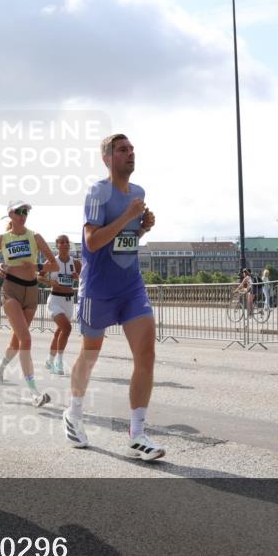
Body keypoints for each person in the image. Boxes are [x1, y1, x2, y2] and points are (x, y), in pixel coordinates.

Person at [62, 134, 164, 461]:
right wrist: (126, 217)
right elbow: (92, 242)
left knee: (146, 352)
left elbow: (126, 240)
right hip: (98, 288)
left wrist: (143, 227)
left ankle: (138, 432)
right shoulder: (98, 192)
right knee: (90, 353)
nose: (131, 153)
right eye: (123, 150)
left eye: (133, 149)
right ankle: (74, 413)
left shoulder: (138, 193)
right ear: (107, 158)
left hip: (130, 285)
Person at [0, 201, 59, 407]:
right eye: (19, 211)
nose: (23, 215)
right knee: (26, 339)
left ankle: (0, 369)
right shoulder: (2, 238)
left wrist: (36, 265)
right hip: (11, 290)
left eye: (25, 211)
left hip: (32, 291)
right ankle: (35, 393)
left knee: (17, 342)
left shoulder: (35, 237)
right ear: (10, 214)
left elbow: (53, 264)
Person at [40, 234, 81, 375]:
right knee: (67, 328)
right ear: (57, 245)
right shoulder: (52, 262)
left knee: (59, 332)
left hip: (69, 301)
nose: (64, 244)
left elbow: (84, 277)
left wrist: (78, 277)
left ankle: (49, 361)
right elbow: (38, 275)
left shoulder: (75, 263)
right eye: (61, 242)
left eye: (66, 242)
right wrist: (49, 282)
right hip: (55, 300)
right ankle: (59, 362)